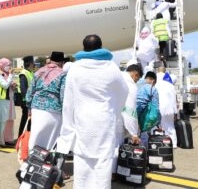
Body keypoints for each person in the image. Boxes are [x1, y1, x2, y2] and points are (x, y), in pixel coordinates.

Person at [56, 35, 128, 189]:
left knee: (82, 158)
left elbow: (68, 101)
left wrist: (68, 125)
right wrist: (113, 111)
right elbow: (123, 92)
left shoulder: (75, 68)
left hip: (83, 120)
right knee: (103, 160)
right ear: (101, 46)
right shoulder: (111, 67)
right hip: (104, 120)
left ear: (83, 48)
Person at [26, 51, 65, 151]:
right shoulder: (63, 73)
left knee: (36, 134)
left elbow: (30, 92)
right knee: (51, 138)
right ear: (61, 62)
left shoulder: (39, 71)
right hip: (53, 109)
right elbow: (63, 94)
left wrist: (29, 107)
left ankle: (32, 159)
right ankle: (46, 161)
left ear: (51, 60)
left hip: (36, 107)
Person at [112, 64, 142, 176]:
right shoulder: (130, 85)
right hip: (115, 120)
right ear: (135, 75)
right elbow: (130, 111)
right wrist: (133, 133)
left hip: (94, 118)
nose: (136, 81)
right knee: (115, 147)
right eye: (137, 79)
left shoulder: (115, 76)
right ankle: (112, 173)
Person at [0, 58, 16, 146]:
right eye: (7, 65)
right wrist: (10, 76)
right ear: (2, 65)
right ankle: (0, 141)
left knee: (10, 120)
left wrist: (13, 86)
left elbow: (9, 86)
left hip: (10, 100)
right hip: (2, 101)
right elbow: (5, 85)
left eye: (10, 65)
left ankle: (9, 139)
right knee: (1, 121)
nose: (9, 67)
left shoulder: (8, 74)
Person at [136, 71, 161, 148]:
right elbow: (155, 108)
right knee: (143, 136)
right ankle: (143, 155)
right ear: (153, 80)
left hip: (132, 113)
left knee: (133, 135)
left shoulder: (136, 84)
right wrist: (158, 124)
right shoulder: (153, 89)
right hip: (144, 116)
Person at [155, 67, 178, 148]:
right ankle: (174, 144)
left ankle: (160, 142)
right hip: (170, 109)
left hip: (160, 108)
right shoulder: (170, 85)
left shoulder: (155, 84)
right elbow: (174, 99)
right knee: (170, 126)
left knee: (159, 127)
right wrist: (175, 112)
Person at [17, 56, 34, 137]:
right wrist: (28, 100)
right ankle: (21, 137)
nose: (34, 64)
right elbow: (23, 89)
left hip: (31, 100)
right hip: (25, 101)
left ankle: (28, 137)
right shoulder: (23, 73)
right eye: (33, 63)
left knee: (30, 120)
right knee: (25, 120)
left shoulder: (30, 72)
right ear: (29, 64)